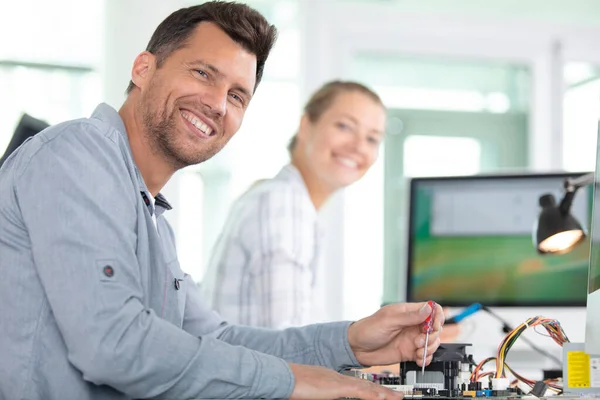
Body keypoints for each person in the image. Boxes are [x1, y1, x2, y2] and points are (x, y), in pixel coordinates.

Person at [0, 2, 444, 400]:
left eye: (236, 95)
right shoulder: (77, 153)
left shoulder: (152, 216)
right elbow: (113, 344)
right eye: (202, 73)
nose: (216, 103)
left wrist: (348, 343)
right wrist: (294, 380)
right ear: (142, 68)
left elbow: (216, 338)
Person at [201, 80, 386, 328]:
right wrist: (394, 356)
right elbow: (292, 343)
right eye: (344, 126)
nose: (358, 146)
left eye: (372, 139)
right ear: (306, 126)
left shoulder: (286, 201)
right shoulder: (284, 204)